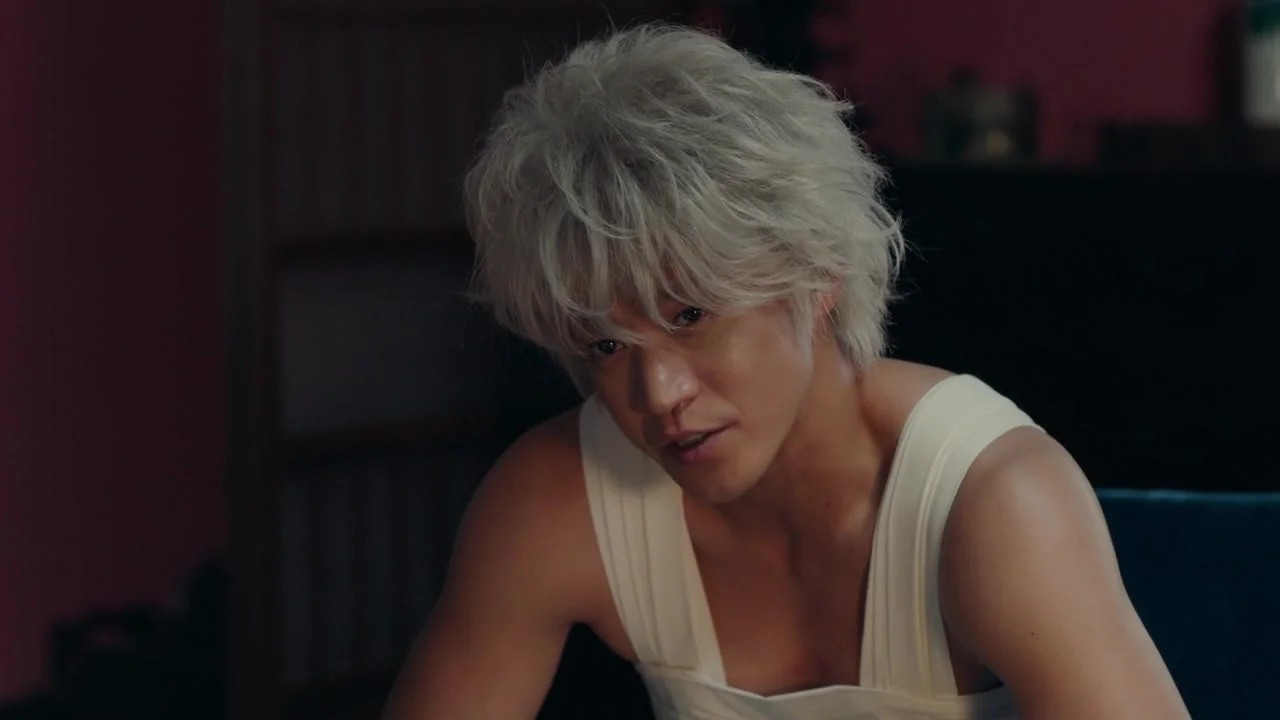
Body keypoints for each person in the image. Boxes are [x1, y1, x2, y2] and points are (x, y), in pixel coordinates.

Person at [385, 23, 1190, 720]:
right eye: (606, 346)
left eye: (690, 316)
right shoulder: (557, 501)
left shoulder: (995, 501)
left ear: (816, 275)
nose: (658, 395)